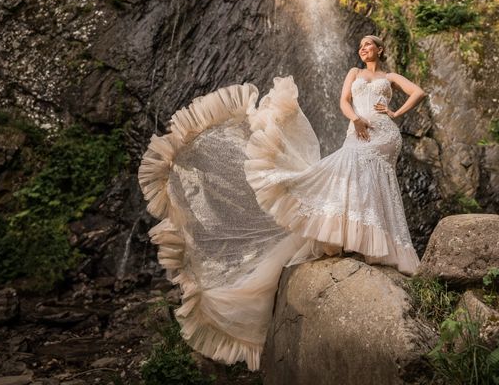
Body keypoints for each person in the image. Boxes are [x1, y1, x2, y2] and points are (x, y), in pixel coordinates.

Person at [138, 35, 426, 370]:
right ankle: (358, 240)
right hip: (360, 132)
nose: (363, 48)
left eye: (369, 45)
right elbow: (344, 102)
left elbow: (418, 92)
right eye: (360, 45)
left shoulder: (389, 78)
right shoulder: (353, 73)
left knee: (376, 182)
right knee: (348, 174)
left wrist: (394, 111)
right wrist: (357, 119)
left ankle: (376, 244)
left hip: (386, 136)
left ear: (380, 50)